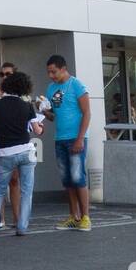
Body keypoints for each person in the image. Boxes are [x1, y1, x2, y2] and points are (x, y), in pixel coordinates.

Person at [0, 71, 43, 237]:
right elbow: (37, 130)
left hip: (5, 151)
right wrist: (41, 128)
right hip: (27, 151)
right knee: (26, 191)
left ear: (5, 87)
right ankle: (22, 227)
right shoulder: (27, 106)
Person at [44, 55, 92, 230]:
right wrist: (43, 110)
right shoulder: (51, 88)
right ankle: (74, 216)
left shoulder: (76, 85)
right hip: (60, 138)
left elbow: (87, 112)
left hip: (76, 138)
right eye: (49, 72)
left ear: (63, 68)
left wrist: (80, 138)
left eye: (54, 71)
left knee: (78, 177)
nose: (51, 75)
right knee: (67, 180)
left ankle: (86, 217)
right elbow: (52, 115)